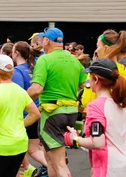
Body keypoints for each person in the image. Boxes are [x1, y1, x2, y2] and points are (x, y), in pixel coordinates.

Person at [64, 58, 126, 177]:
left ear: (95, 79)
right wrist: (121, 145)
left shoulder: (95, 106)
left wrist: (75, 139)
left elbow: (98, 142)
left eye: (90, 77)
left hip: (108, 168)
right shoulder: (122, 105)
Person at [27, 28, 86, 177]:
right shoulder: (74, 60)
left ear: (46, 41)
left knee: (59, 162)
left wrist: (21, 102)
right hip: (71, 112)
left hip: (52, 113)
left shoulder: (45, 60)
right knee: (50, 158)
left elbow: (36, 89)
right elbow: (84, 84)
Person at [0, 55, 40, 177]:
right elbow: (35, 114)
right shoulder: (20, 91)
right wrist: (21, 124)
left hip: (1, 146)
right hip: (20, 144)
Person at [11, 41, 48, 177]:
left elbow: (18, 93)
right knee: (33, 149)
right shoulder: (33, 69)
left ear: (17, 53)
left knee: (15, 149)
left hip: (22, 115)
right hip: (35, 112)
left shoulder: (17, 71)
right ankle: (52, 167)